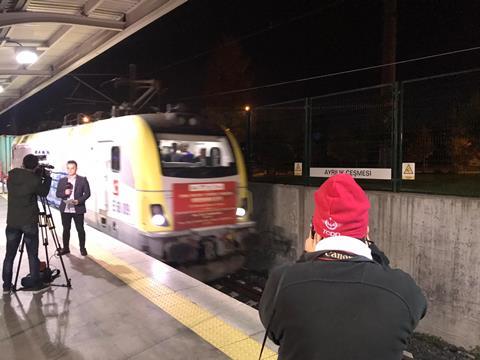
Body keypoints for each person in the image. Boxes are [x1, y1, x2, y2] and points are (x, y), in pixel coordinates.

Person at [259, 174, 427, 360]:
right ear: (367, 232)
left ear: (313, 232)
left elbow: (274, 333)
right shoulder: (403, 289)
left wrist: (307, 258)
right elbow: (418, 312)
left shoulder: (281, 282)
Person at [2, 154, 52, 294]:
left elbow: (23, 180)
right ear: (35, 166)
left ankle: (6, 286)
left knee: (9, 255)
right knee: (32, 254)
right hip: (28, 222)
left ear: (23, 163)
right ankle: (36, 285)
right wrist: (46, 178)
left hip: (12, 222)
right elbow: (44, 192)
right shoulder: (34, 180)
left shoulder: (12, 177)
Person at [56, 160, 90, 256]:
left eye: (72, 168)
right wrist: (64, 193)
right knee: (66, 229)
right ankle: (66, 248)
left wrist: (79, 201)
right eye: (68, 168)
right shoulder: (62, 180)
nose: (70, 170)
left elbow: (87, 193)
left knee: (80, 229)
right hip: (65, 209)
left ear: (76, 168)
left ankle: (82, 248)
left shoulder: (82, 180)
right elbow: (58, 194)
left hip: (78, 208)